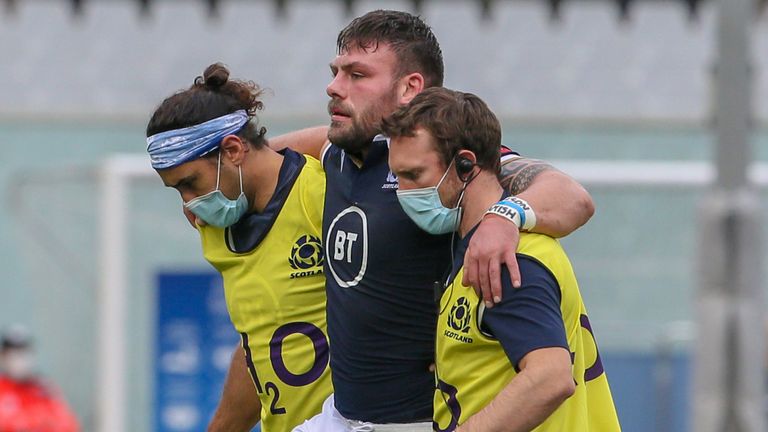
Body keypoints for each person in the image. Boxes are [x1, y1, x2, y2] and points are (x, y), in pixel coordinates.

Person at [288, 9, 596, 431]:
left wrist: (503, 216)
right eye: (336, 72)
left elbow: (573, 198)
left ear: (410, 87)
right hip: (341, 415)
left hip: (415, 421)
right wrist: (214, 180)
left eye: (357, 75)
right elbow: (279, 152)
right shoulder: (348, 151)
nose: (334, 86)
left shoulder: (447, 161)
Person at [383, 87, 621, 431]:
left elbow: (550, 378)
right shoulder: (478, 246)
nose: (404, 193)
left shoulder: (509, 259)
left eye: (414, 176)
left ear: (466, 166)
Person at [145, 63, 332, 432]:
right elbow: (260, 345)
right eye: (177, 191)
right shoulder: (216, 230)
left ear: (233, 149)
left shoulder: (326, 193)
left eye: (191, 183)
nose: (190, 203)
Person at [0, 325, 80, 432]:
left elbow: (68, 424)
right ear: (3, 356)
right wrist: (39, 420)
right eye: (13, 353)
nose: (19, 359)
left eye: (23, 352)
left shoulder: (44, 388)